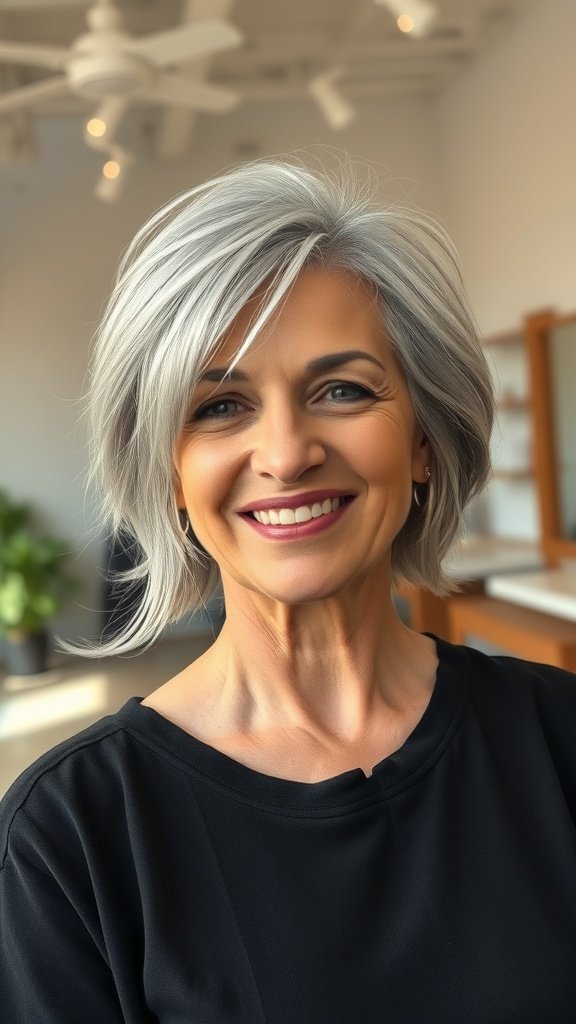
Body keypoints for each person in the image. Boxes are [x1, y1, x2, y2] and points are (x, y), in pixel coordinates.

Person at [1, 159, 575, 1024]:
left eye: (341, 390)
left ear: (423, 439)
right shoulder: (71, 835)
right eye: (220, 407)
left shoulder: (561, 739)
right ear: (169, 473)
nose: (285, 452)